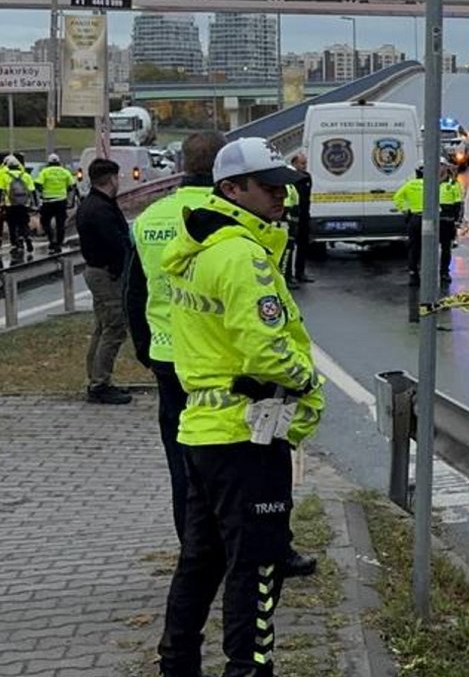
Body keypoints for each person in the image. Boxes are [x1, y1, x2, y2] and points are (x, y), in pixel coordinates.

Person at [156, 137, 325, 677]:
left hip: (201, 427)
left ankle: (177, 663)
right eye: (268, 186)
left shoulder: (197, 246)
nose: (281, 195)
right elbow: (267, 349)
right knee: (256, 567)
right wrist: (308, 382)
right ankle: (248, 669)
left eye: (283, 184)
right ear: (231, 189)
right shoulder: (240, 254)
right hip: (246, 432)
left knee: (200, 563)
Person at [127, 131, 228, 540]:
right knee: (234, 456)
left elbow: (134, 291)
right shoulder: (230, 213)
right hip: (219, 357)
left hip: (167, 356)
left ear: (182, 165)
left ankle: (192, 545)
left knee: (180, 457)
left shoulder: (151, 217)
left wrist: (144, 349)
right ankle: (240, 543)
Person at [76, 157, 133, 404]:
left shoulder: (92, 204)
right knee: (115, 327)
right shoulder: (101, 209)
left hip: (97, 271)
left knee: (101, 327)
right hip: (107, 274)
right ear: (111, 179)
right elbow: (117, 243)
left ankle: (96, 379)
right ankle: (100, 384)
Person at [393, 164, 427, 286]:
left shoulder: (409, 185)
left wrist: (405, 210)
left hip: (414, 218)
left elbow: (397, 197)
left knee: (413, 247)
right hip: (428, 219)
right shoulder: (431, 185)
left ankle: (414, 274)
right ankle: (428, 273)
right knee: (428, 246)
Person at [284, 151, 314, 285]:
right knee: (289, 247)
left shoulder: (307, 177)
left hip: (304, 216)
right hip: (292, 217)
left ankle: (300, 272)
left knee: (303, 245)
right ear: (294, 163)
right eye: (302, 163)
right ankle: (288, 275)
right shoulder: (289, 179)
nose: (305, 166)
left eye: (305, 163)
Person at [36, 152, 73, 253]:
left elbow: (38, 184)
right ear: (59, 162)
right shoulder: (65, 172)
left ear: (48, 162)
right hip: (61, 201)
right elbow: (72, 185)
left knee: (45, 221)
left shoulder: (45, 172)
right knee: (60, 223)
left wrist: (42, 192)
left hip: (48, 201)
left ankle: (51, 238)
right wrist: (65, 191)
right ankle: (59, 242)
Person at [1, 154, 36, 261]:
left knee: (12, 224)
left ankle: (16, 244)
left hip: (10, 204)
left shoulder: (4, 175)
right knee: (24, 222)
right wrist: (34, 204)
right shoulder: (26, 175)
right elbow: (32, 191)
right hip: (24, 204)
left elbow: (1, 190)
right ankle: (27, 236)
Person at [438, 158, 464, 285]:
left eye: (442, 167)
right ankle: (426, 272)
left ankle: (444, 272)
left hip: (447, 221)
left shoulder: (453, 184)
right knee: (426, 248)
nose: (440, 169)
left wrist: (457, 221)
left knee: (446, 248)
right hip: (432, 221)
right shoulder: (428, 182)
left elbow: (458, 203)